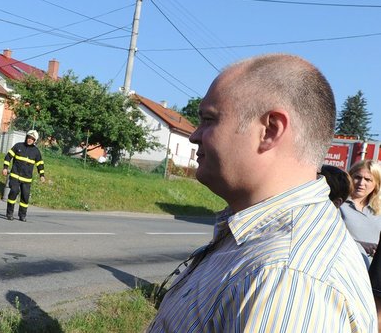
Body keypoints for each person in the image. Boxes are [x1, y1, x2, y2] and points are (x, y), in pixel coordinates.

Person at [149, 54, 376, 332]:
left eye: (209, 119)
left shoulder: (286, 280)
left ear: (270, 130)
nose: (194, 135)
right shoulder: (265, 249)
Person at [1, 129, 46, 221]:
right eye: (29, 137)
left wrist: (42, 175)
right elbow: (8, 156)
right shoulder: (18, 146)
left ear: (35, 141)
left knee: (25, 197)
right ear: (26, 137)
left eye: (32, 139)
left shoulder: (36, 152)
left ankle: (22, 215)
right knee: (13, 192)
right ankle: (9, 214)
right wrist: (5, 167)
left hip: (26, 179)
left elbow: (40, 164)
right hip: (15, 176)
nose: (29, 140)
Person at [341, 160, 381, 257]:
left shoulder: (378, 209)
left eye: (368, 179)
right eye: (357, 177)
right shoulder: (339, 204)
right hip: (345, 266)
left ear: (376, 184)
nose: (361, 183)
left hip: (371, 270)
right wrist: (359, 246)